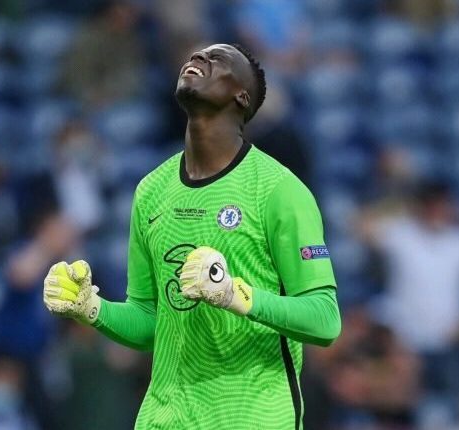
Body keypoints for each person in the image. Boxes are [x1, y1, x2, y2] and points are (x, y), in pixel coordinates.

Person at [42, 43, 341, 429]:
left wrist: (236, 295)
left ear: (241, 96)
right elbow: (150, 321)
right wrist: (92, 309)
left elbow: (325, 320)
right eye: (197, 55)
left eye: (218, 59)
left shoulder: (279, 191)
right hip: (164, 417)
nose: (198, 58)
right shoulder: (151, 190)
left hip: (251, 417)